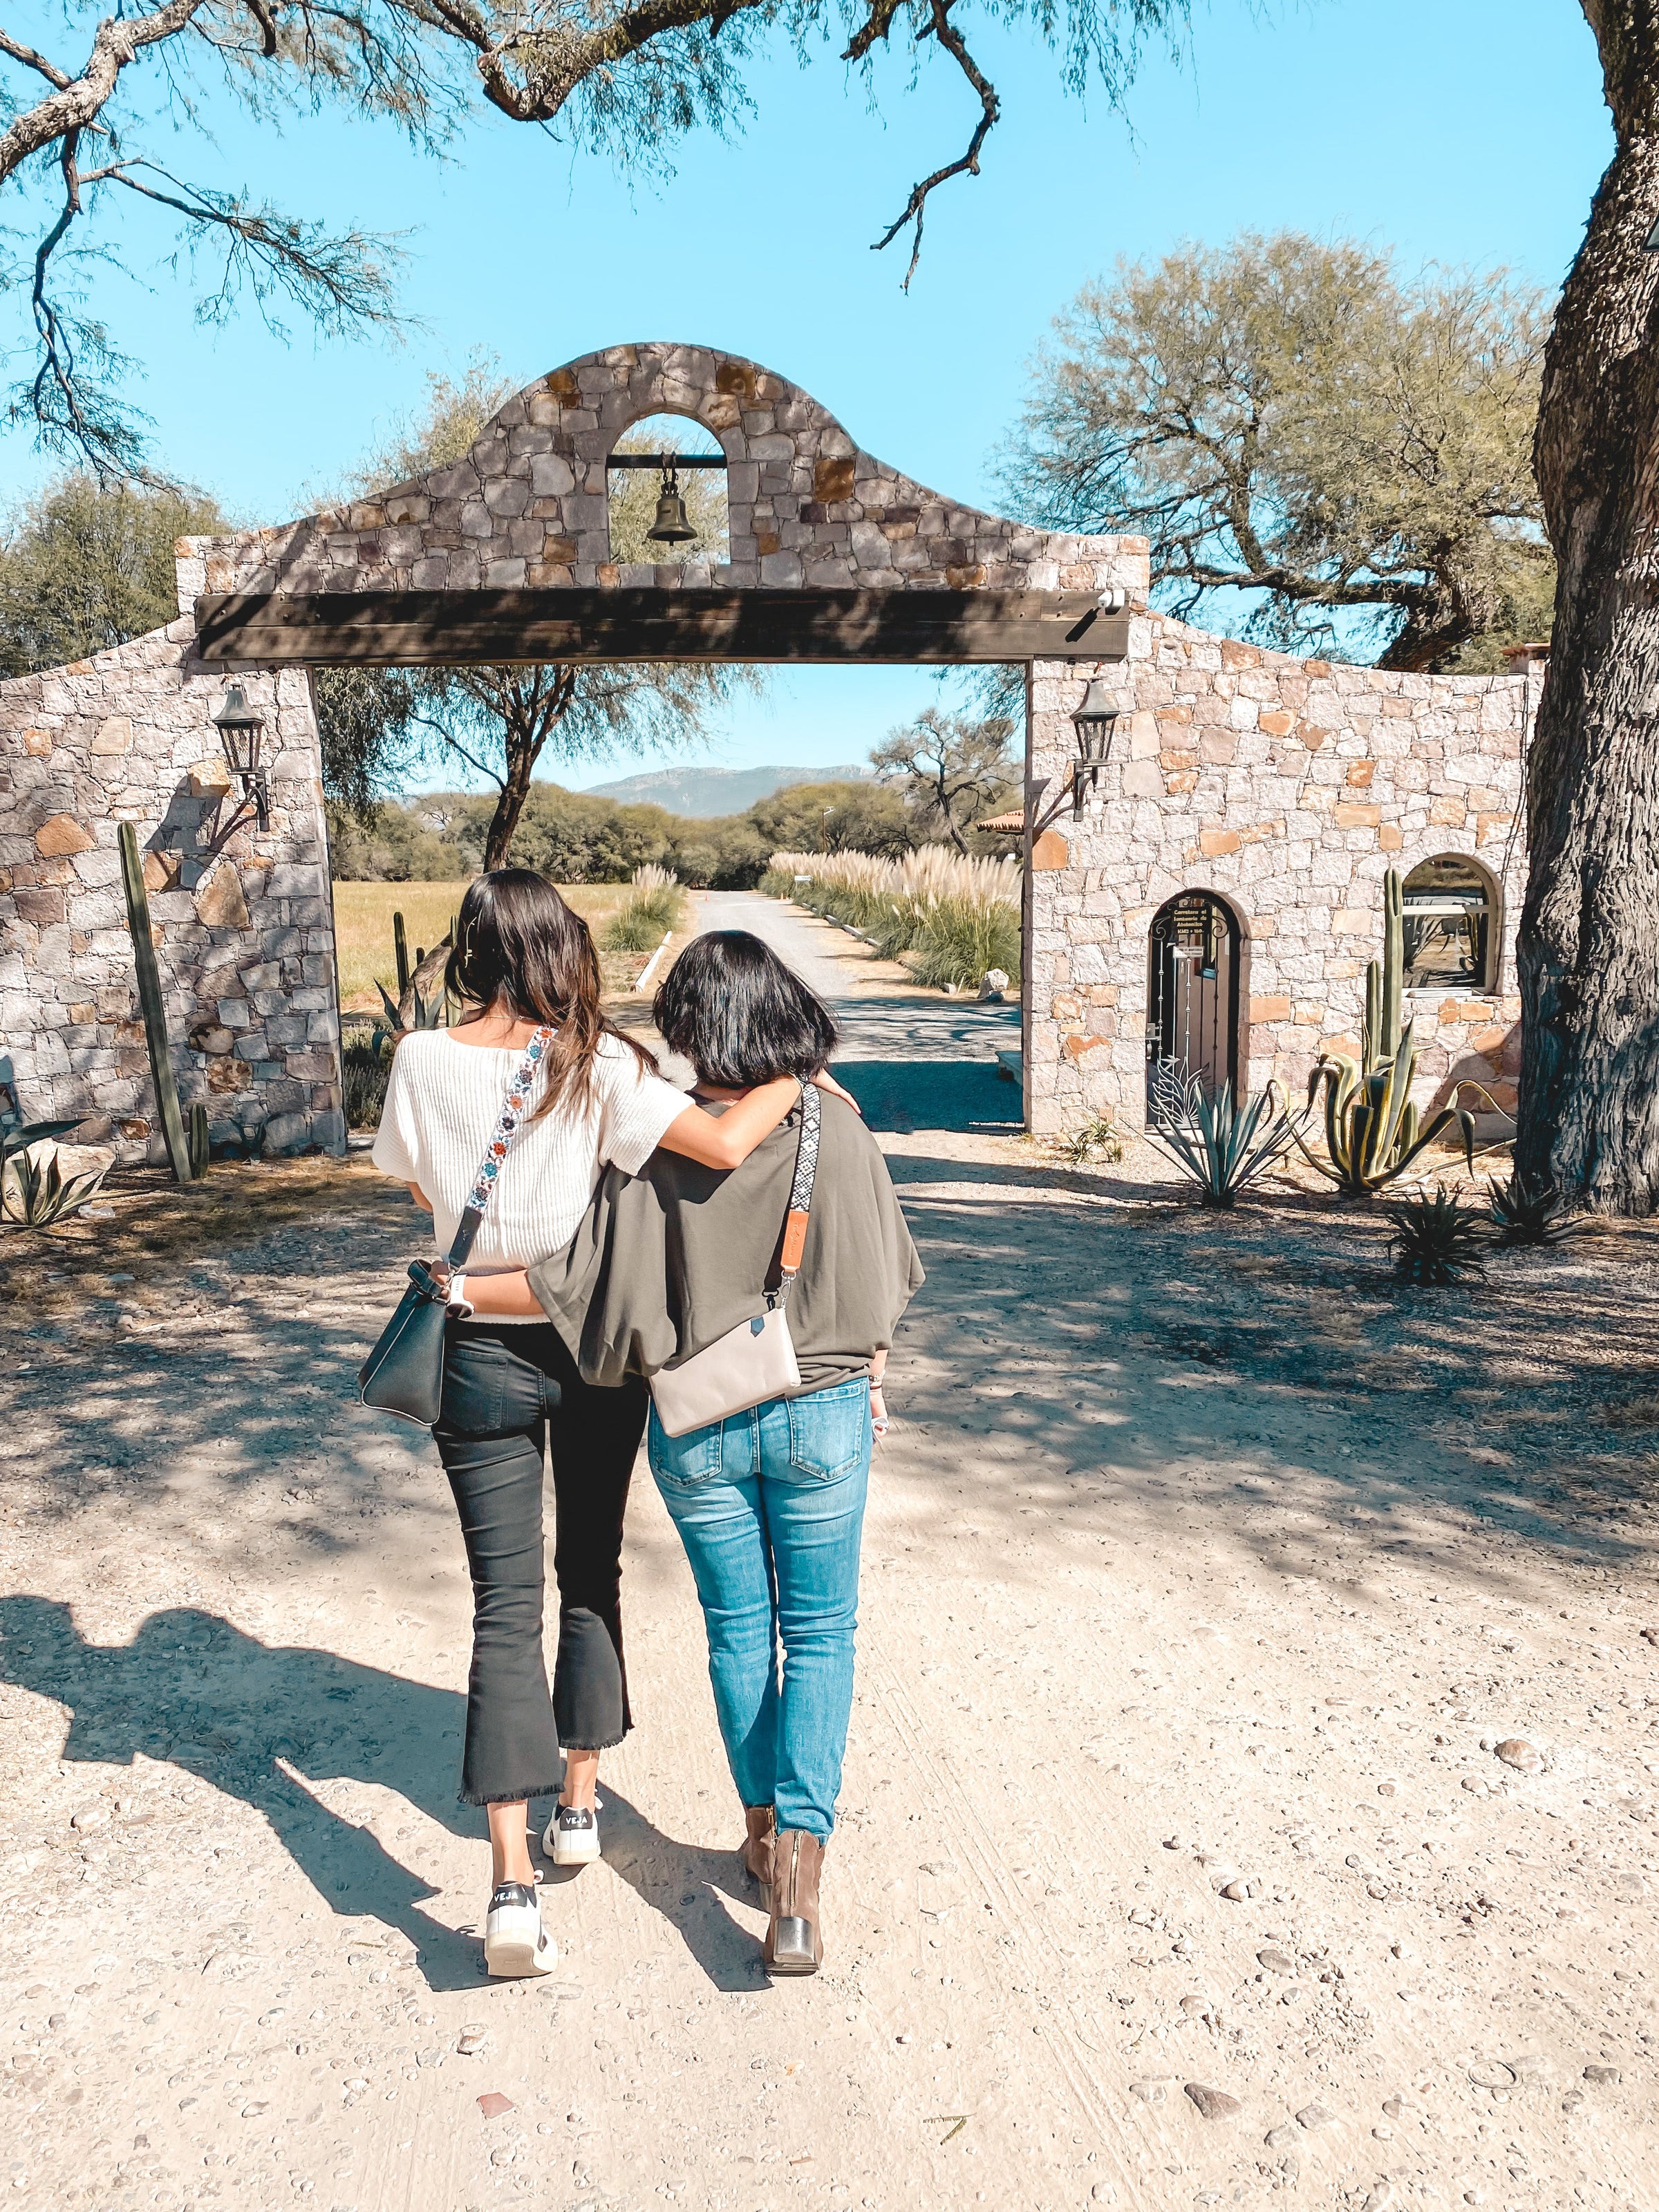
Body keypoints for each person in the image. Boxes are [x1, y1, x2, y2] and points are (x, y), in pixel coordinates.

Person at [370, 873, 854, 1980]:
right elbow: (724, 1148)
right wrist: (801, 1075)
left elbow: (415, 1194)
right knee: (589, 1568)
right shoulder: (601, 1066)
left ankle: (507, 1890)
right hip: (594, 1351)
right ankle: (579, 1806)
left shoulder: (417, 1061)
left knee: (502, 1604)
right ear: (559, 954)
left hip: (476, 1346)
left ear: (472, 953)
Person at [528, 930, 924, 1976]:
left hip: (697, 1423)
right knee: (823, 1631)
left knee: (740, 1630)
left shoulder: (659, 1144)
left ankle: (755, 1830)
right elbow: (889, 1287)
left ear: (691, 1030)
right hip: (825, 1407)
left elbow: (597, 1307)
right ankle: (798, 1869)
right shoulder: (837, 1128)